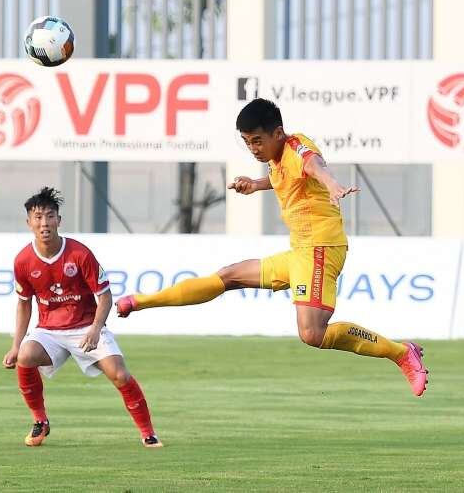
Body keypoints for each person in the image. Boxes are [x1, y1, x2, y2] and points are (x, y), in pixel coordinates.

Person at [116, 98, 429, 397]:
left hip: (320, 248)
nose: (253, 148)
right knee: (230, 276)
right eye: (247, 142)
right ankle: (140, 301)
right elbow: (286, 178)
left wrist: (332, 184)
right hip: (300, 252)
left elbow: (312, 165)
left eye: (257, 140)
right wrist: (255, 184)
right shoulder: (277, 159)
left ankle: (401, 352)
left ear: (277, 133)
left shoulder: (295, 148)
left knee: (312, 334)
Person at [2, 187, 162, 447]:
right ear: (29, 222)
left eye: (50, 216)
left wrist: (96, 328)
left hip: (87, 326)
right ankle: (40, 421)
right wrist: (15, 345)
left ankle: (148, 433)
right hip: (50, 330)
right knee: (25, 356)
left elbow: (105, 296)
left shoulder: (79, 253)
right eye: (38, 217)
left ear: (59, 221)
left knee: (119, 375)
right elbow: (23, 304)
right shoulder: (23, 261)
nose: (44, 223)